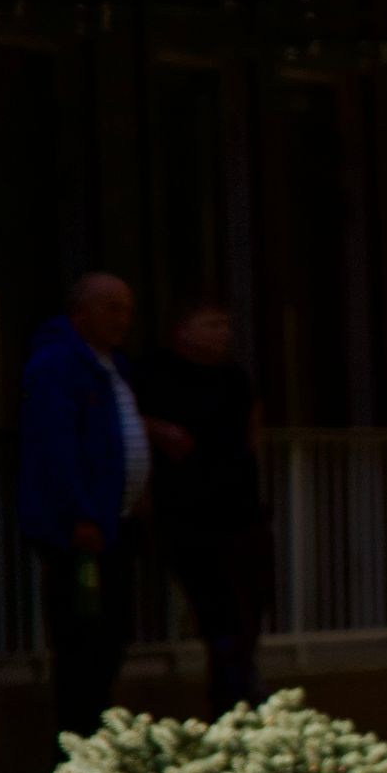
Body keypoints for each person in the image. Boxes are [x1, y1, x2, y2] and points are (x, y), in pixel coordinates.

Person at [18, 273, 150, 744]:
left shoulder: (112, 366)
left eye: (127, 309)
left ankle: (96, 736)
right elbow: (55, 447)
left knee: (111, 637)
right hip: (81, 532)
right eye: (111, 308)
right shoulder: (58, 364)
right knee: (82, 642)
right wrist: (79, 514)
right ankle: (77, 744)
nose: (122, 319)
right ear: (81, 312)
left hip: (117, 523)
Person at [136, 302, 273, 716]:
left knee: (249, 606)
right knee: (219, 609)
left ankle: (238, 692)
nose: (223, 332)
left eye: (226, 324)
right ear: (183, 330)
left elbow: (252, 432)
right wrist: (158, 431)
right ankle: (232, 697)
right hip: (189, 513)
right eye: (212, 324)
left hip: (240, 510)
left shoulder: (234, 376)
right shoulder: (156, 374)